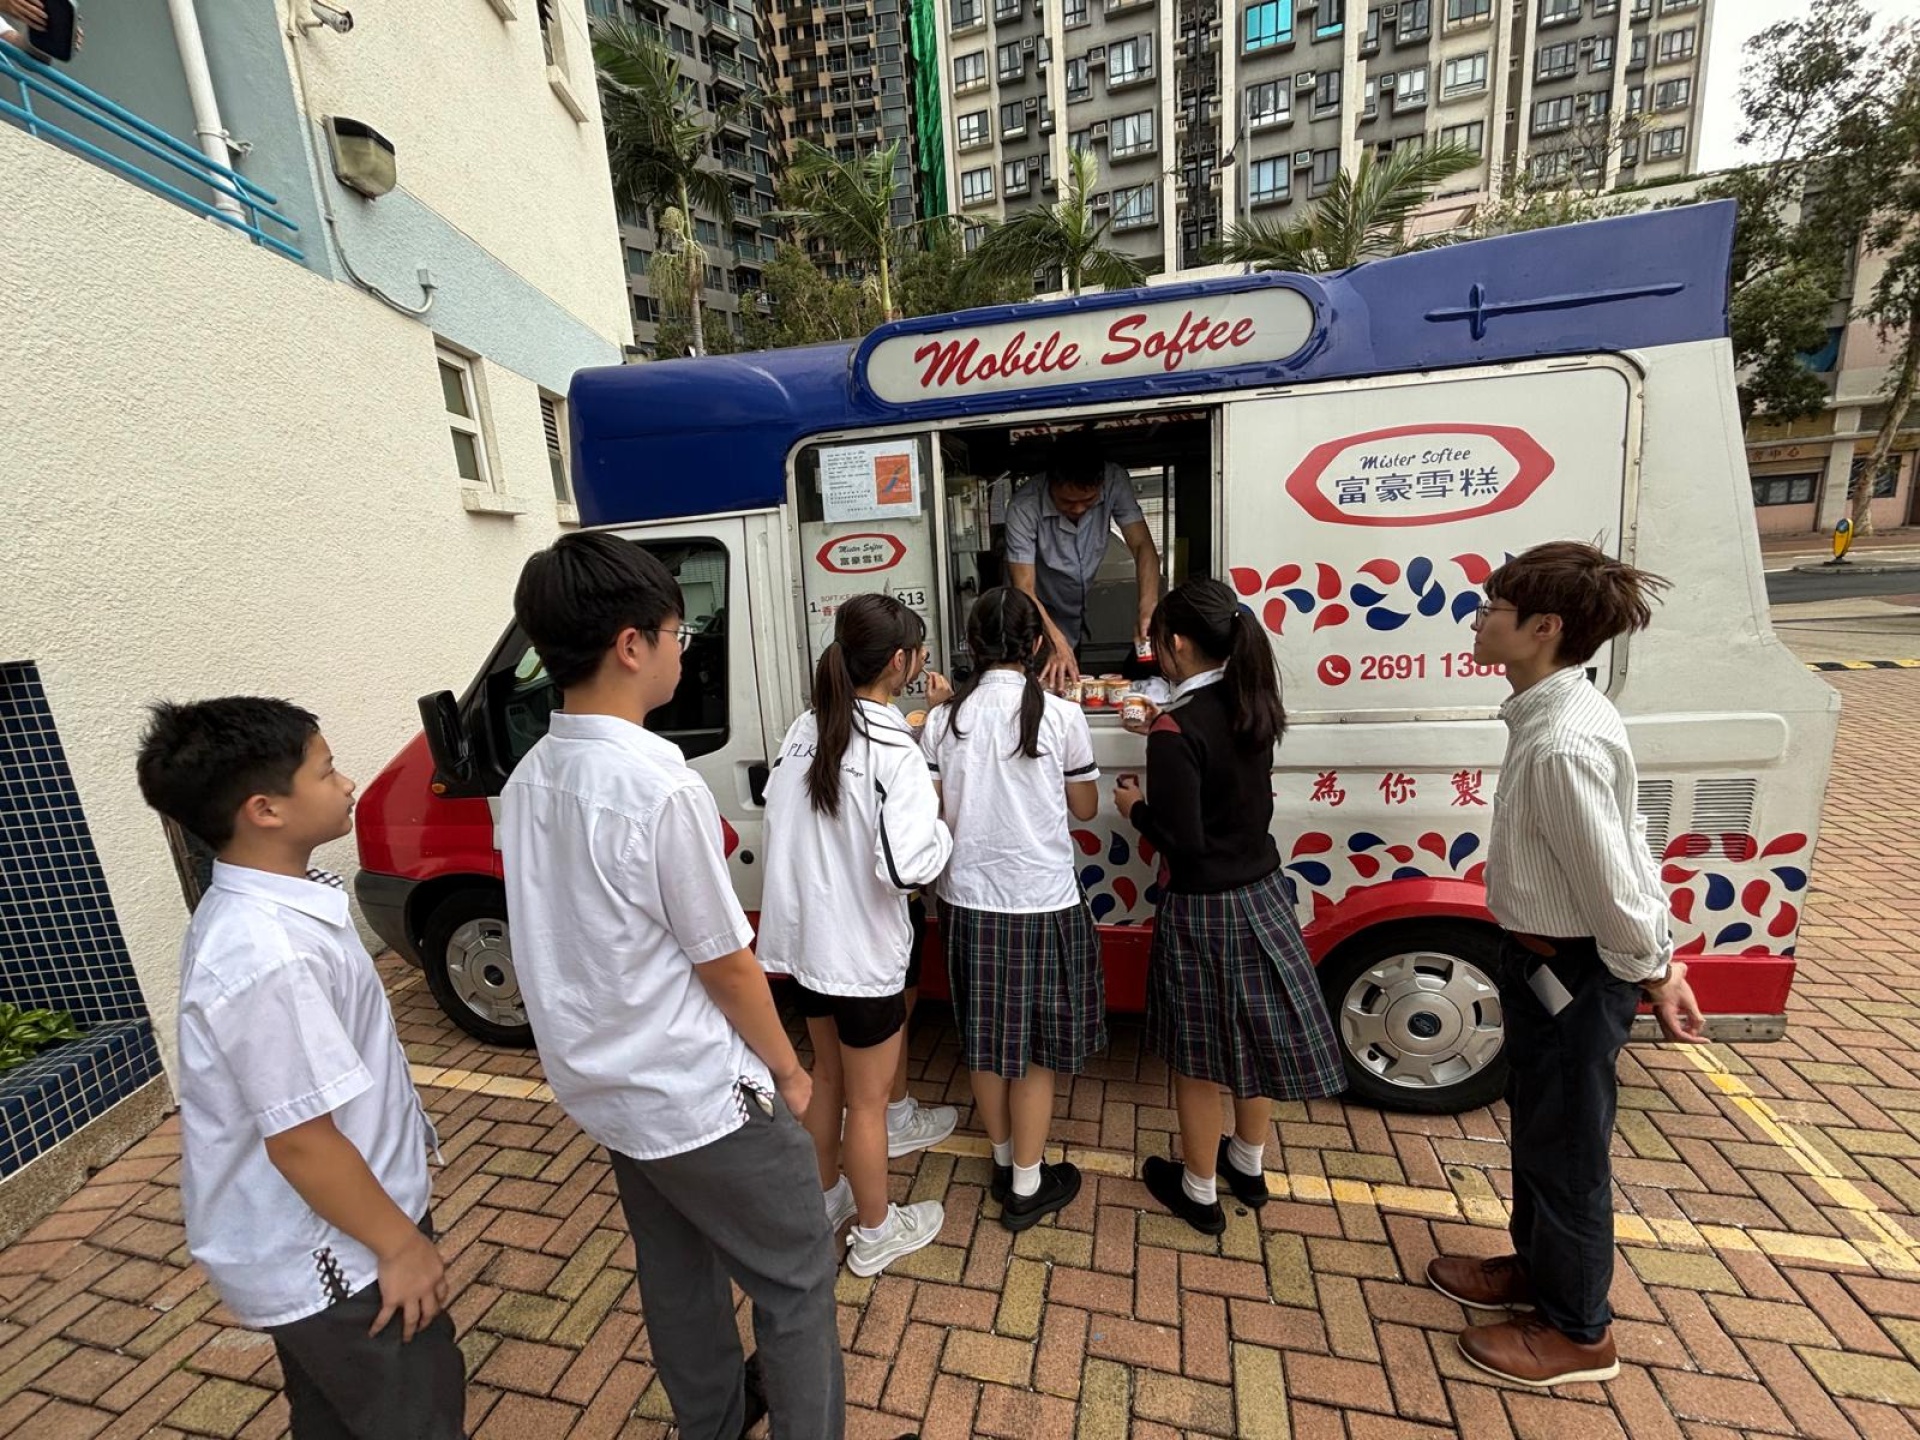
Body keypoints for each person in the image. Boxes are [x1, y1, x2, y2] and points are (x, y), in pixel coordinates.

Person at [497, 532, 842, 1440]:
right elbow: (725, 961)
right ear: (630, 644)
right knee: (796, 1279)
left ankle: (712, 1423)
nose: (683, 651)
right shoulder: (657, 785)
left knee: (677, 1275)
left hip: (609, 1090)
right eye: (677, 633)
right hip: (699, 1092)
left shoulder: (530, 777)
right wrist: (791, 1072)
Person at [136, 698, 462, 1440]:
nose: (347, 783)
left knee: (336, 1419)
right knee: (415, 1414)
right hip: (341, 1255)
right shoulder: (267, 955)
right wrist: (401, 1245)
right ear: (265, 810)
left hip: (347, 1230)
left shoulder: (272, 911)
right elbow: (301, 1141)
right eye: (326, 771)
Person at [1428, 541, 1706, 1388]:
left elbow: (1612, 883)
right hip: (1545, 963)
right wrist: (1661, 962)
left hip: (1575, 973)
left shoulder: (1562, 743)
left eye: (1494, 609)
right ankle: (1537, 1269)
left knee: (1568, 1152)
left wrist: (1657, 971)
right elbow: (1629, 843)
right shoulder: (1556, 714)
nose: (1479, 619)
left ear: (1544, 627)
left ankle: (1580, 1333)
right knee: (1543, 1132)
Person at [1113, 578, 1345, 1236]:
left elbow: (1181, 840)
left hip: (1204, 906)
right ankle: (1247, 1163)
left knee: (1198, 1058)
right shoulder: (1251, 699)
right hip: (1262, 891)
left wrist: (1135, 808)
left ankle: (1197, 1190)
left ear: (1177, 644)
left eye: (1158, 644)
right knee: (1253, 1041)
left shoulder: (1176, 727)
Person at [758, 592, 954, 1277]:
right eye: (918, 652)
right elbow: (905, 868)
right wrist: (942, 831)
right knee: (868, 1105)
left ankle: (826, 1198)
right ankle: (875, 1232)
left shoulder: (805, 728)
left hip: (808, 947)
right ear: (900, 662)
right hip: (862, 954)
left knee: (828, 1080)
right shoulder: (894, 749)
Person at [922, 587, 1105, 1232]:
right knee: (1034, 1050)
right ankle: (1027, 1184)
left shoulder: (943, 722)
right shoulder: (1062, 716)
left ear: (971, 646)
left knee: (983, 1039)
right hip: (1042, 899)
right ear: (1034, 646)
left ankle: (1003, 1160)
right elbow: (1085, 809)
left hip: (968, 898)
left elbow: (936, 811)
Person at [1004, 447, 1160, 690]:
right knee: (1039, 691)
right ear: (1050, 484)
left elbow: (1142, 546)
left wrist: (1147, 608)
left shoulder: (1114, 480)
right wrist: (1055, 641)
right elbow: (1024, 588)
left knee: (1071, 688)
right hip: (1036, 617)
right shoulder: (1023, 507)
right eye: (1067, 502)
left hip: (1073, 618)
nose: (1078, 509)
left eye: (1088, 501)